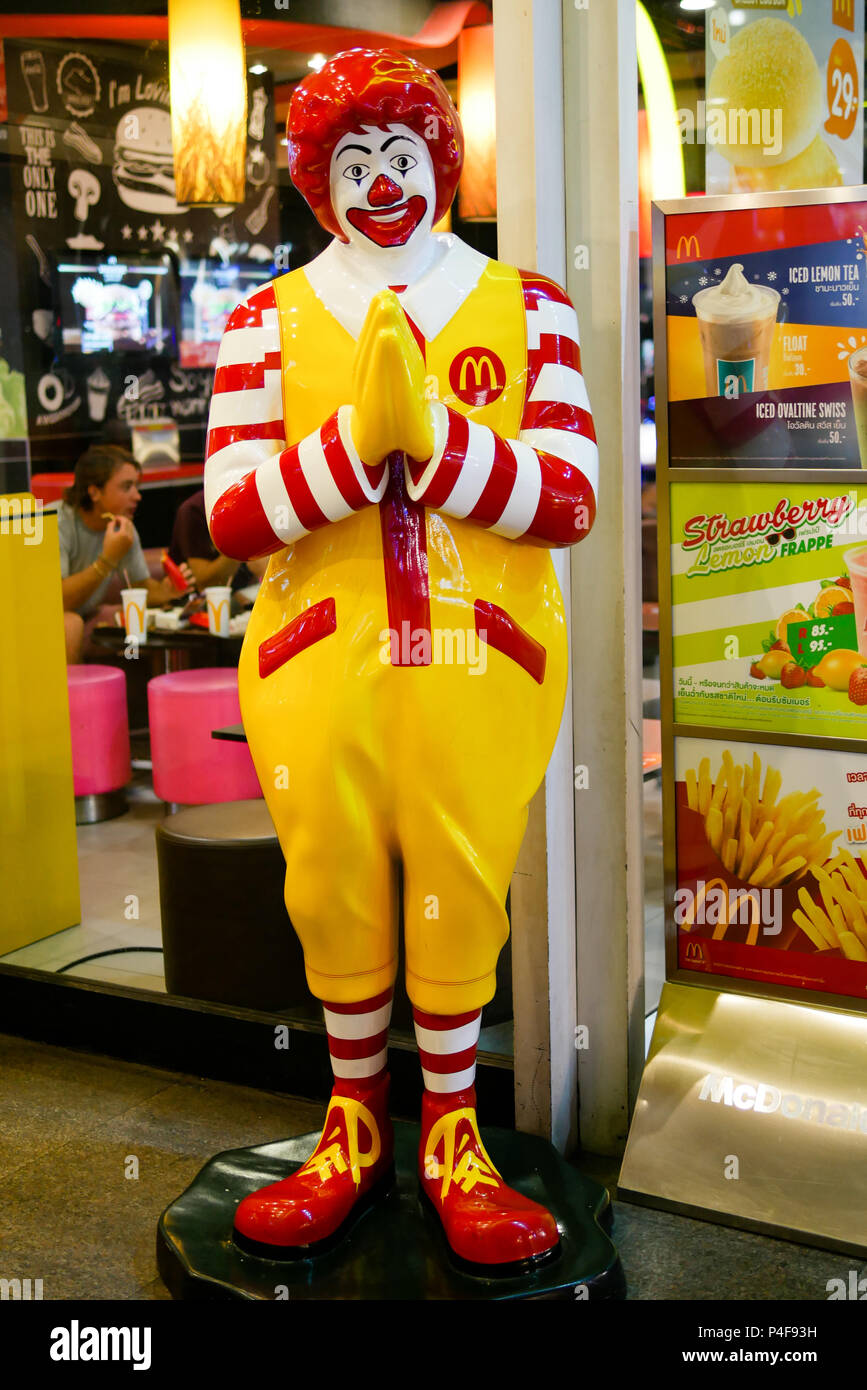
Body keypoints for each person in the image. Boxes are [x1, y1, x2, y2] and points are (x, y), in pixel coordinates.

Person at [205, 49, 598, 1271]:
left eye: (403, 155)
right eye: (355, 162)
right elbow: (229, 511)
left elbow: (573, 494)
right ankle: (352, 1125)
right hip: (317, 663)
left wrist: (431, 444)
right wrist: (350, 444)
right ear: (320, 184)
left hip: (486, 665)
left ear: (444, 159)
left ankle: (455, 1139)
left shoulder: (532, 306)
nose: (384, 183)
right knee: (333, 889)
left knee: (461, 889)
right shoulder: (262, 324)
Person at [59, 444, 192, 663]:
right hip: (41, 617)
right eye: (127, 487)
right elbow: (59, 602)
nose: (137, 496)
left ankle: (139, 691)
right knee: (71, 623)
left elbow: (143, 589)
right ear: (94, 492)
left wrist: (167, 591)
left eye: (136, 486)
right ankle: (73, 697)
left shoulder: (122, 526)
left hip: (87, 614)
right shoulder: (59, 524)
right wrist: (108, 560)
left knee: (133, 618)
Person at [167, 488, 266, 605]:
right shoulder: (194, 510)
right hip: (196, 605)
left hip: (240, 594)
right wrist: (241, 542)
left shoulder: (258, 499)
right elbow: (205, 585)